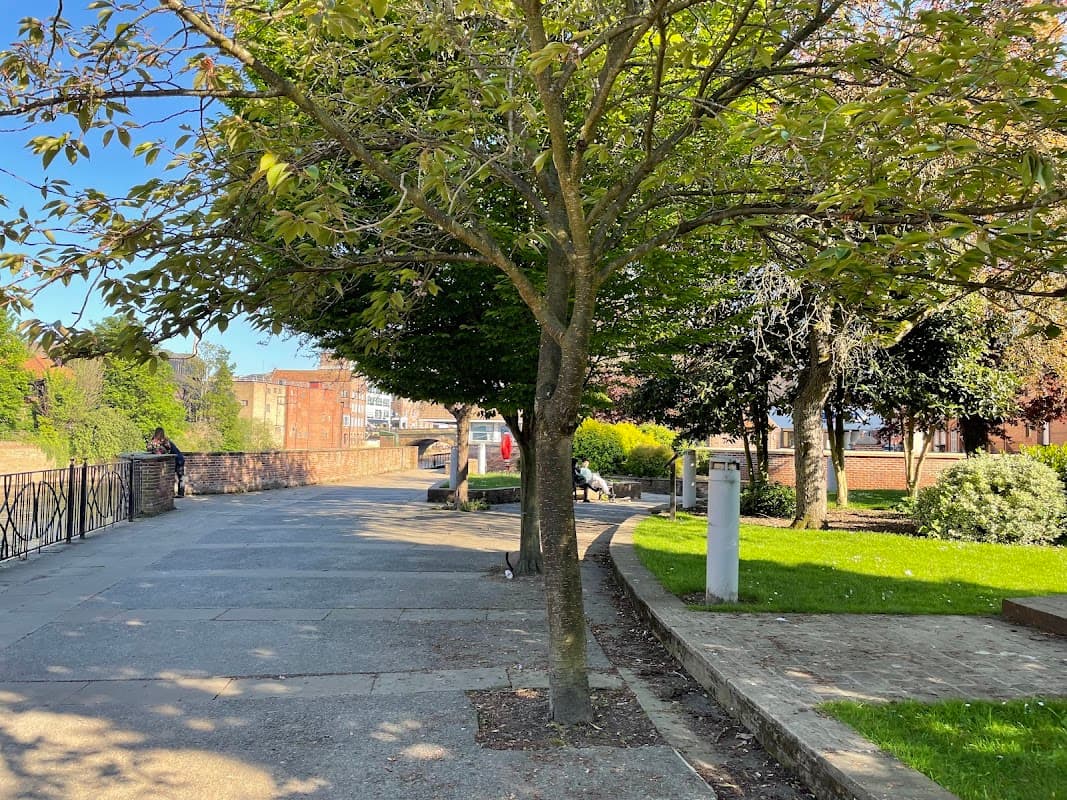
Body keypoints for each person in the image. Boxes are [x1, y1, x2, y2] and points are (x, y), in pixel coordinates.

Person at [148, 427, 186, 497]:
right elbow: (149, 448)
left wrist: (158, 448)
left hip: (178, 459)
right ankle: (176, 493)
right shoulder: (156, 439)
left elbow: (167, 450)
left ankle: (181, 493)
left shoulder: (165, 440)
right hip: (176, 459)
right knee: (176, 477)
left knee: (180, 476)